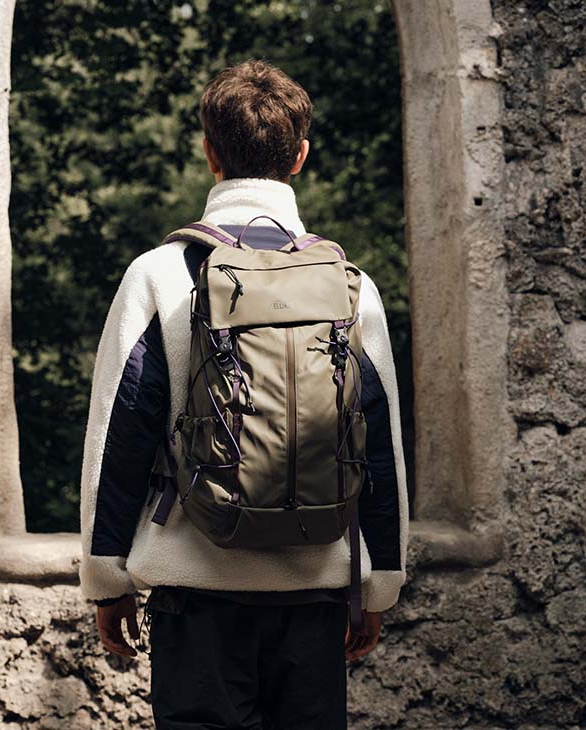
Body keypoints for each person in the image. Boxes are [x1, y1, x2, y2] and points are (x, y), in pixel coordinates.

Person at [78, 59, 409, 730]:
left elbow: (120, 432)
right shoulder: (349, 285)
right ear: (301, 157)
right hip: (315, 592)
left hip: (196, 596)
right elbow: (381, 445)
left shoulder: (159, 276)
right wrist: (378, 586)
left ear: (210, 154)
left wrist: (107, 580)